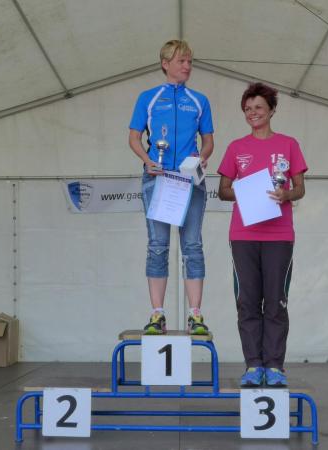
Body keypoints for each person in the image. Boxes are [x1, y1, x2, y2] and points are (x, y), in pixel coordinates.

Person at [217, 82, 307, 388]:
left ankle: (275, 366)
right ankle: (253, 365)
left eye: (258, 107)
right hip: (243, 234)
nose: (252, 113)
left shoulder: (289, 145)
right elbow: (223, 190)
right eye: (247, 109)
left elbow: (300, 188)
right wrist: (247, 191)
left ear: (271, 110)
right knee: (247, 301)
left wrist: (286, 194)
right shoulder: (236, 148)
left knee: (276, 302)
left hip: (279, 235)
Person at [128, 40, 214, 335]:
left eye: (190, 61)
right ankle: (157, 314)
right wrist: (147, 160)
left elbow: (208, 141)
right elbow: (134, 138)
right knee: (157, 246)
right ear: (165, 64)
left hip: (190, 181)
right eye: (181, 61)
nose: (187, 66)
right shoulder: (148, 98)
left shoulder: (199, 100)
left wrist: (200, 158)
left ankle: (195, 315)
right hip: (158, 178)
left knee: (193, 245)